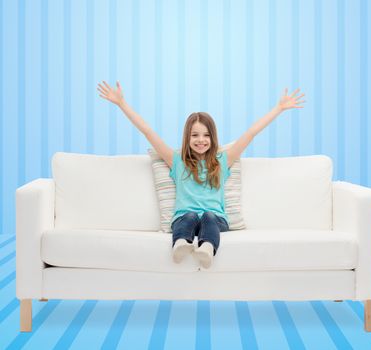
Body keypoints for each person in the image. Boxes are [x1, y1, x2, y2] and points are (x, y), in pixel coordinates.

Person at [97, 81, 305, 269]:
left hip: (216, 220)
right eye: (195, 135)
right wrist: (122, 104)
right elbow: (148, 132)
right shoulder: (177, 161)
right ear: (187, 138)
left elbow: (250, 133)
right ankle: (181, 243)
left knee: (208, 216)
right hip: (183, 219)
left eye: (206, 135)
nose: (200, 140)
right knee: (188, 216)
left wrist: (278, 108)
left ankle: (207, 248)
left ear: (213, 138)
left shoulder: (223, 161)